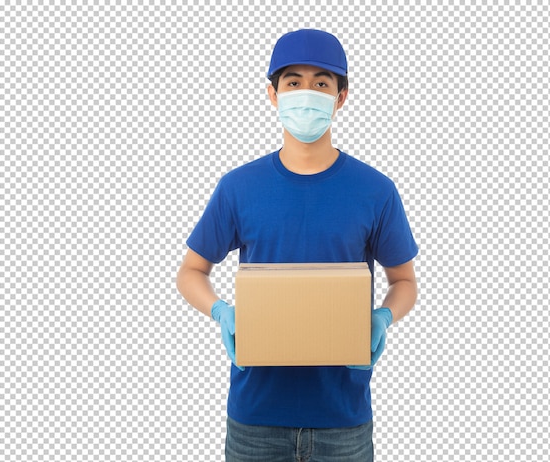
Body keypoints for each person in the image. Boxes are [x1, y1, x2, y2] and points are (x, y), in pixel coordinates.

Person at [176, 28, 418, 462]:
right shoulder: (238, 188)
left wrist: (384, 316)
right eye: (293, 82)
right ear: (273, 94)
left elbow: (404, 280)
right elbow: (191, 271)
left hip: (343, 418)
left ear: (341, 97)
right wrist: (220, 311)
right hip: (255, 419)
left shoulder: (375, 190)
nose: (306, 93)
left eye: (322, 83)